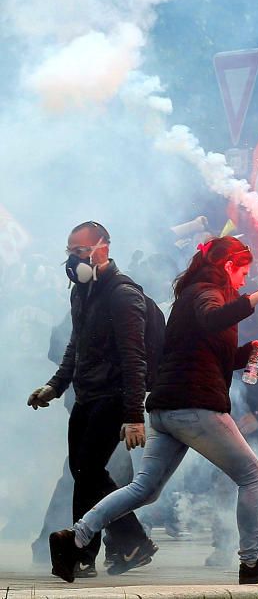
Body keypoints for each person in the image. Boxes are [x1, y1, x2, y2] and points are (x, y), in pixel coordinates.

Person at [47, 236, 258, 585]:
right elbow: (213, 320)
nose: (244, 281)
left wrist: (248, 351)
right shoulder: (207, 293)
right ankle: (251, 562)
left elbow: (204, 351)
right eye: (243, 273)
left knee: (145, 489)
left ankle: (75, 538)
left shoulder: (192, 295)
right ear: (228, 266)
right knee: (253, 475)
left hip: (166, 409)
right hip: (195, 406)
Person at [28, 221, 156, 578]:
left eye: (80, 251)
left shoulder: (123, 294)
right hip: (86, 395)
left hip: (113, 396)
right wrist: (55, 385)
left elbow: (135, 358)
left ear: (103, 248)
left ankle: (90, 551)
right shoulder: (80, 293)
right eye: (70, 252)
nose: (74, 259)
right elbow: (76, 345)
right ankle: (121, 544)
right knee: (83, 473)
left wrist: (133, 415)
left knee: (88, 472)